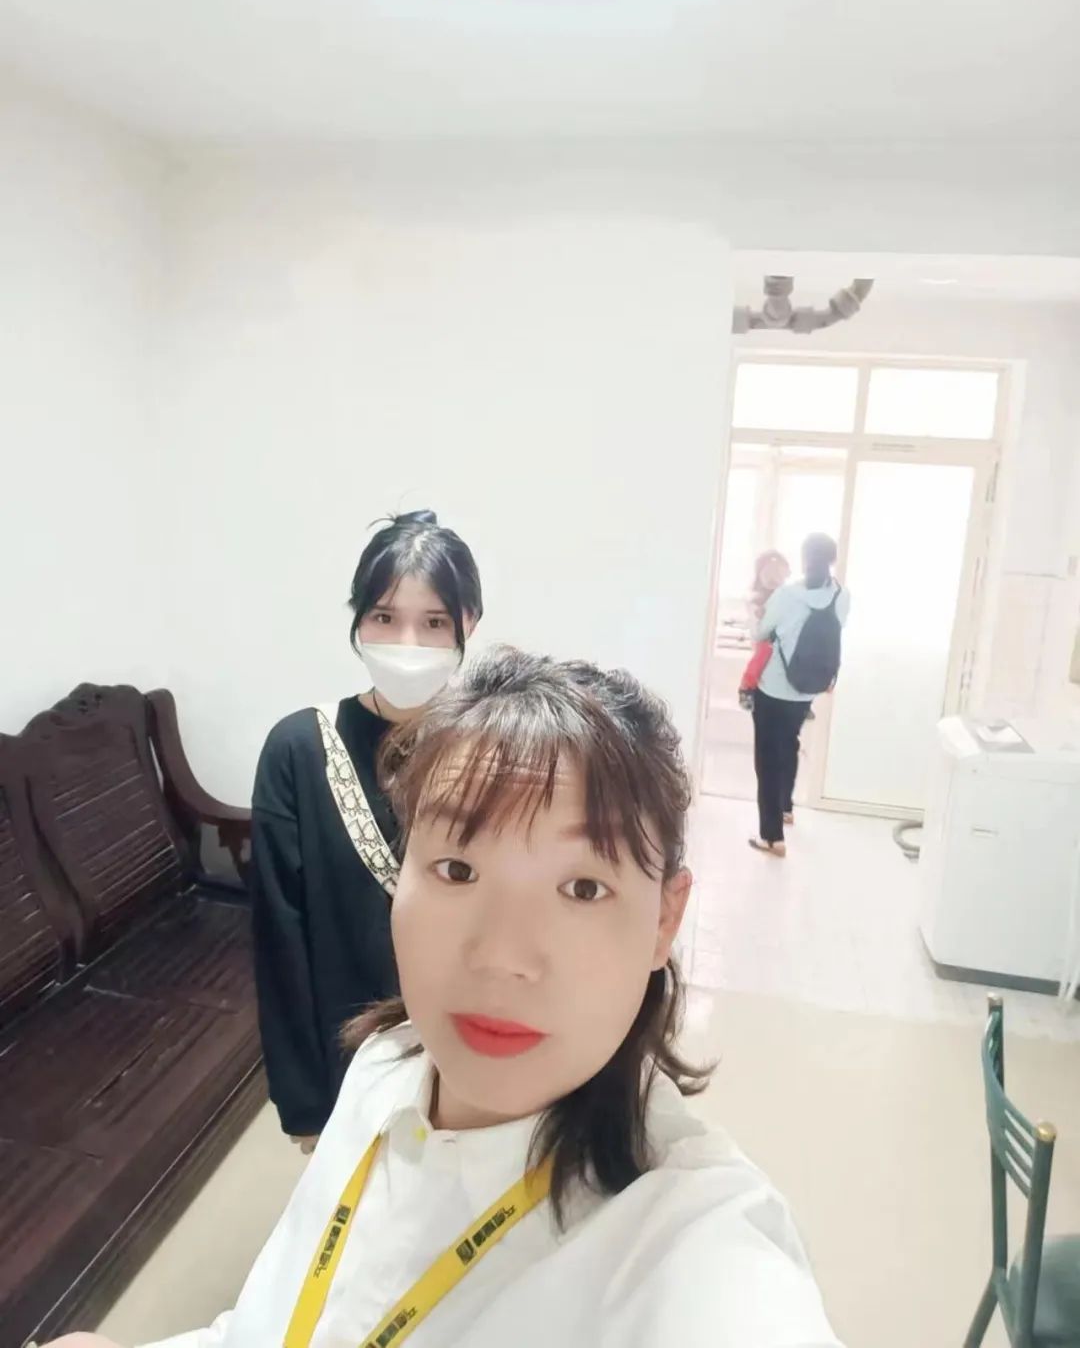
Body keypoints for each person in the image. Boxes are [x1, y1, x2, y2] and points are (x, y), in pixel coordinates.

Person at [51, 648, 842, 1348]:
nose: (500, 955)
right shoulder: (386, 1066)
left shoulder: (688, 1233)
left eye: (582, 886)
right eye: (458, 870)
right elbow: (279, 1321)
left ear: (664, 918)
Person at [251, 509, 483, 1150]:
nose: (407, 642)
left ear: (468, 623)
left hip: (469, 1062)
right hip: (348, 1067)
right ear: (357, 620)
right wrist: (304, 1106)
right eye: (384, 617)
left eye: (433, 622)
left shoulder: (493, 750)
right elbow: (280, 940)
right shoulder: (301, 748)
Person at [749, 532, 850, 857]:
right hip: (807, 688)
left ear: (804, 559)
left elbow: (761, 633)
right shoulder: (841, 596)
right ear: (832, 560)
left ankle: (772, 837)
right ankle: (786, 808)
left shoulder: (786, 595)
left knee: (767, 758)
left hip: (773, 687)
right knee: (789, 743)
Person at [738, 549, 790, 709]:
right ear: (759, 575)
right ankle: (746, 687)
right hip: (765, 640)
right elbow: (758, 628)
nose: (773, 579)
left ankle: (802, 698)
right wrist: (760, 612)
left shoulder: (787, 596)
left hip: (782, 638)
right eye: (768, 574)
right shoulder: (756, 597)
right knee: (764, 652)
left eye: (777, 574)